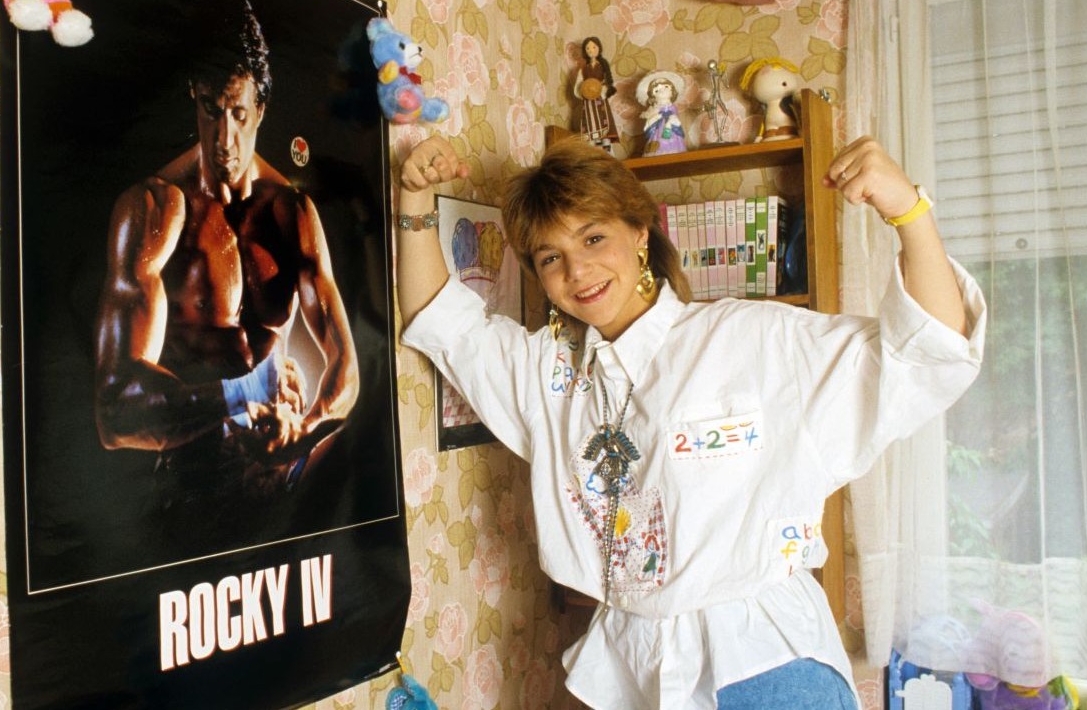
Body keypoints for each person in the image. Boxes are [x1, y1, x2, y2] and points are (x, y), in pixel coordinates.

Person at [394, 133, 985, 709]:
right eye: (552, 257)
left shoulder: (752, 339)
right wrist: (414, 200)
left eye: (594, 238)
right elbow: (443, 322)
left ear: (640, 231)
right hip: (631, 672)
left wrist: (908, 210)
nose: (578, 271)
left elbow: (929, 353)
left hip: (767, 669)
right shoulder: (548, 375)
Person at [94, 0, 359, 502]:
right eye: (211, 111)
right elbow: (114, 412)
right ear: (194, 97)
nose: (225, 139)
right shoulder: (155, 207)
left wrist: (308, 427)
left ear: (261, 109)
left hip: (278, 489)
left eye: (238, 113)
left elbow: (346, 366)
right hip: (190, 481)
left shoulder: (291, 212)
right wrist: (246, 392)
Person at [572, 36, 621, 150]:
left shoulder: (602, 66)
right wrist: (584, 89)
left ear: (599, 48)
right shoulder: (583, 69)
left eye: (593, 47)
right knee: (590, 126)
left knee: (603, 125)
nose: (591, 50)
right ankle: (594, 150)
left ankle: (606, 151)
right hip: (588, 104)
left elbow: (607, 83)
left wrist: (600, 90)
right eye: (588, 48)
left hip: (600, 101)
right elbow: (578, 85)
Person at [638, 70, 687, 156]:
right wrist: (656, 117)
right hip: (658, 134)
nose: (662, 91)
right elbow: (648, 126)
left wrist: (673, 121)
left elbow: (675, 120)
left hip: (672, 132)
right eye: (657, 90)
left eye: (666, 87)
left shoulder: (673, 108)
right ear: (653, 97)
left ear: (672, 91)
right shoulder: (654, 109)